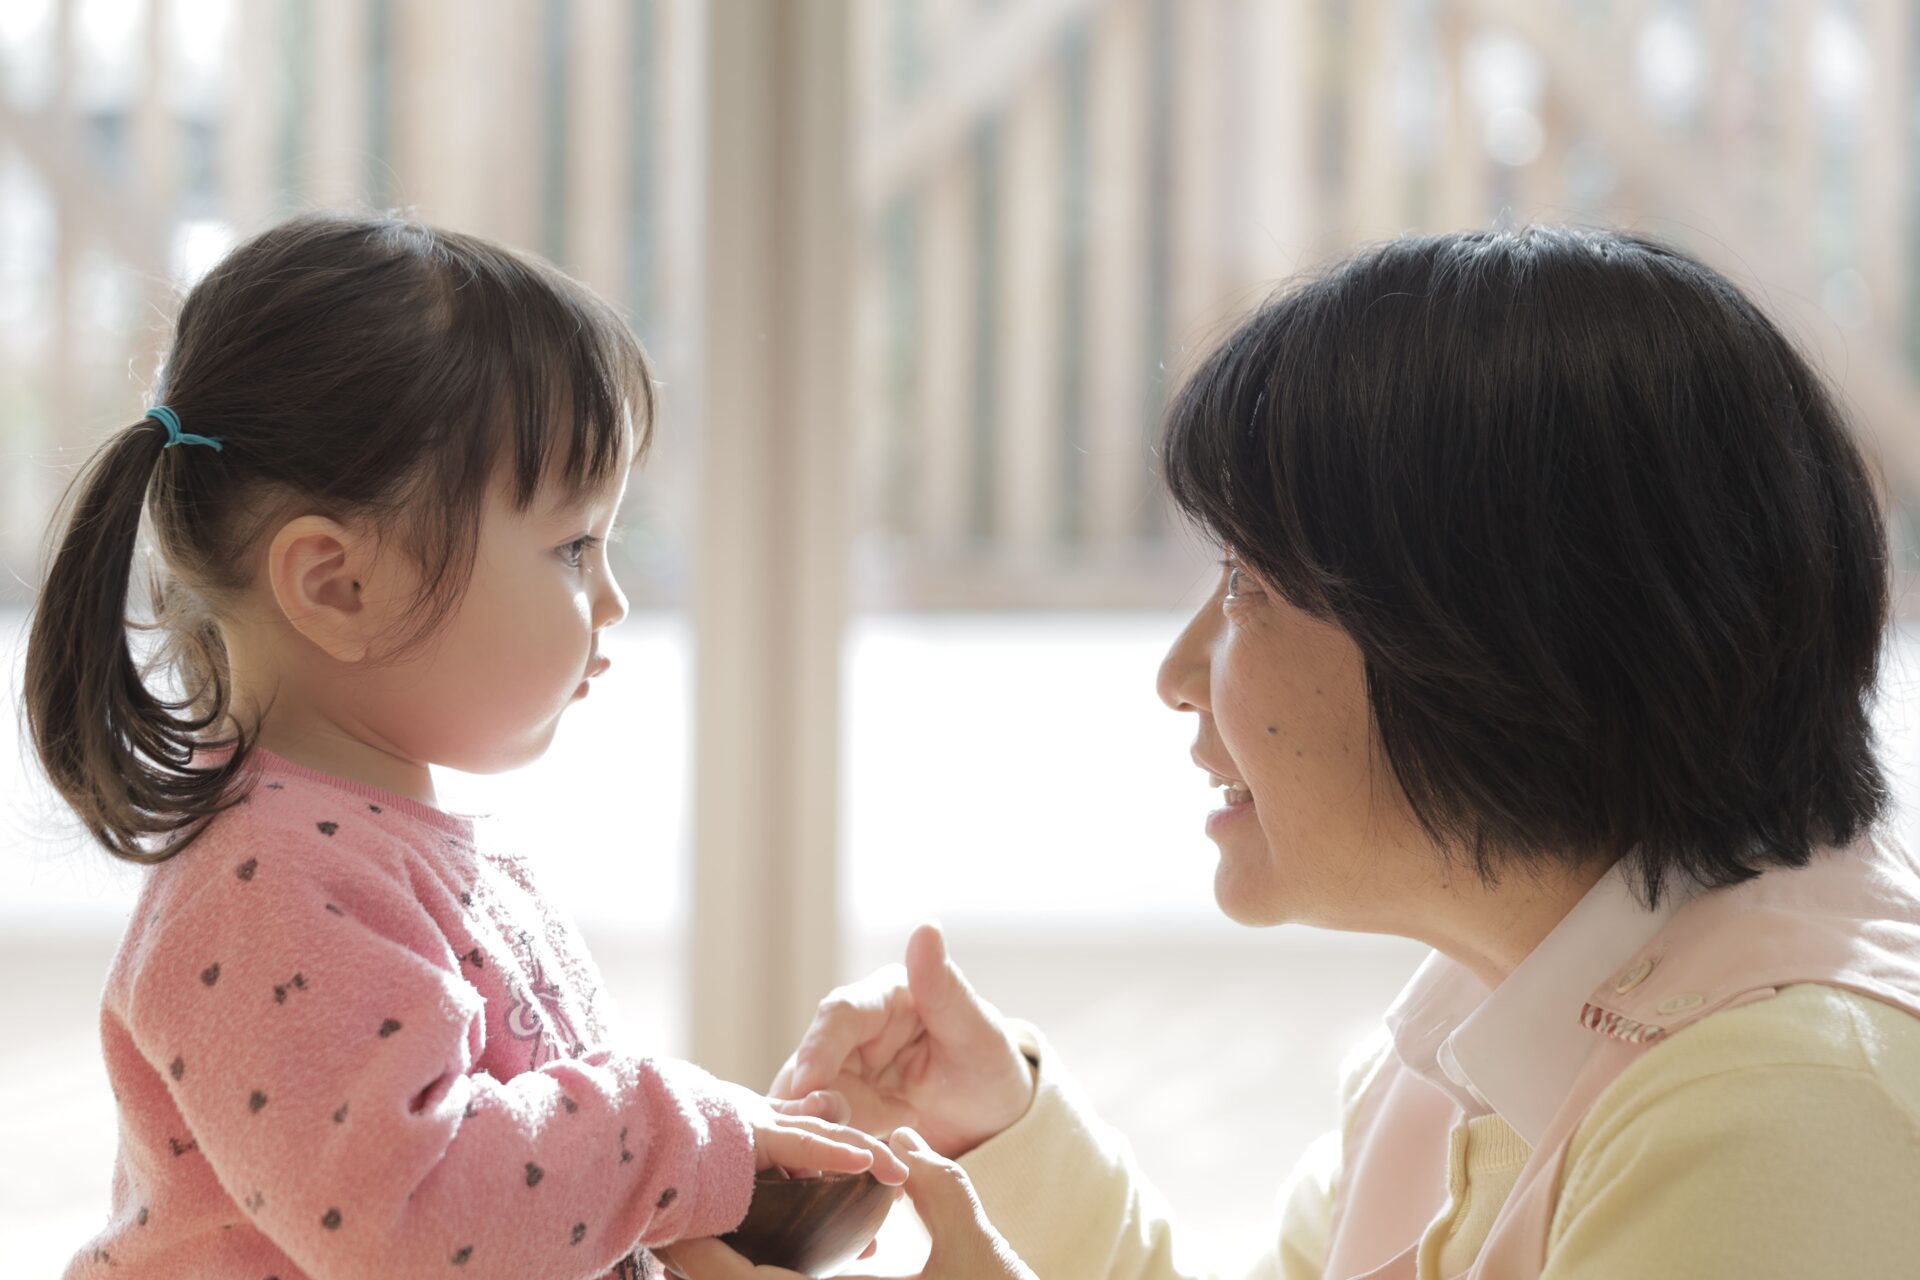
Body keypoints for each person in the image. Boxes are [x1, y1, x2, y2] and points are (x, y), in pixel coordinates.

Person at [658, 227, 1920, 1280]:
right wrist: (1004, 1132)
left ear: (1492, 630)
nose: (1179, 670)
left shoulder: (1781, 1110)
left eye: (1248, 587)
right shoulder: (1488, 1024)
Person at [24, 212, 907, 1280]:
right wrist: (677, 1135)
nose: (612, 599)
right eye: (573, 546)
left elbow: (515, 1203)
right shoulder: (268, 890)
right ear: (340, 584)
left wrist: (703, 1204)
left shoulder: (371, 851)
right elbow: (419, 1215)